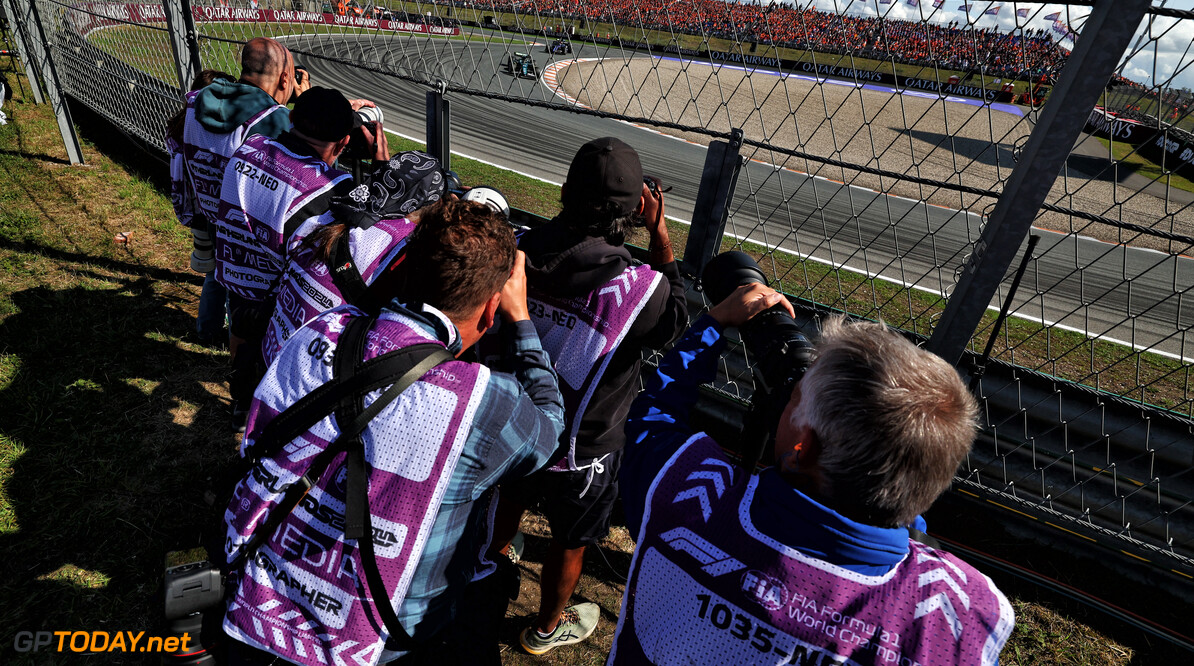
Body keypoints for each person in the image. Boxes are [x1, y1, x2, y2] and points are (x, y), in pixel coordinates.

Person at [221, 199, 566, 666]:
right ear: (490, 313)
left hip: (260, 594)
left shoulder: (321, 328)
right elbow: (548, 431)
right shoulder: (484, 400)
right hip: (387, 634)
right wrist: (521, 318)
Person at [610, 284, 1014, 665]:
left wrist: (713, 324)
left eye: (794, 398)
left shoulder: (691, 492)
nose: (786, 399)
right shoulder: (963, 614)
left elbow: (654, 419)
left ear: (800, 449)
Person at [488, 136, 688, 654]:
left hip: (515, 418)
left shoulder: (518, 250)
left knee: (508, 494)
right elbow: (676, 323)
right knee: (570, 540)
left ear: (563, 190)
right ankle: (545, 629)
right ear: (637, 208)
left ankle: (495, 555)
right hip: (584, 449)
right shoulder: (642, 288)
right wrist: (660, 235)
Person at [213, 86, 383, 432]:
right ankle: (266, 420)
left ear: (292, 118)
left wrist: (323, 111)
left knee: (241, 336)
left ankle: (241, 401)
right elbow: (374, 228)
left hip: (237, 275)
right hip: (279, 301)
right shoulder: (331, 189)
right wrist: (381, 167)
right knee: (272, 361)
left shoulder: (250, 146)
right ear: (344, 143)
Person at [179, 37, 308, 405]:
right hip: (250, 226)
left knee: (219, 275)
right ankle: (252, 373)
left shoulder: (198, 101)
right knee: (250, 303)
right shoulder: (271, 118)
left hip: (209, 209)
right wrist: (301, 104)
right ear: (284, 80)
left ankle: (212, 335)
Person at [261, 150, 445, 366]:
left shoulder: (324, 216)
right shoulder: (402, 244)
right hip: (314, 373)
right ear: (427, 204)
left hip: (271, 352)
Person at [166, 69, 235, 346]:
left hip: (196, 209)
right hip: (221, 211)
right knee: (229, 275)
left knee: (213, 273)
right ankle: (232, 336)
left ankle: (206, 330)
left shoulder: (182, 123)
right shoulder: (217, 131)